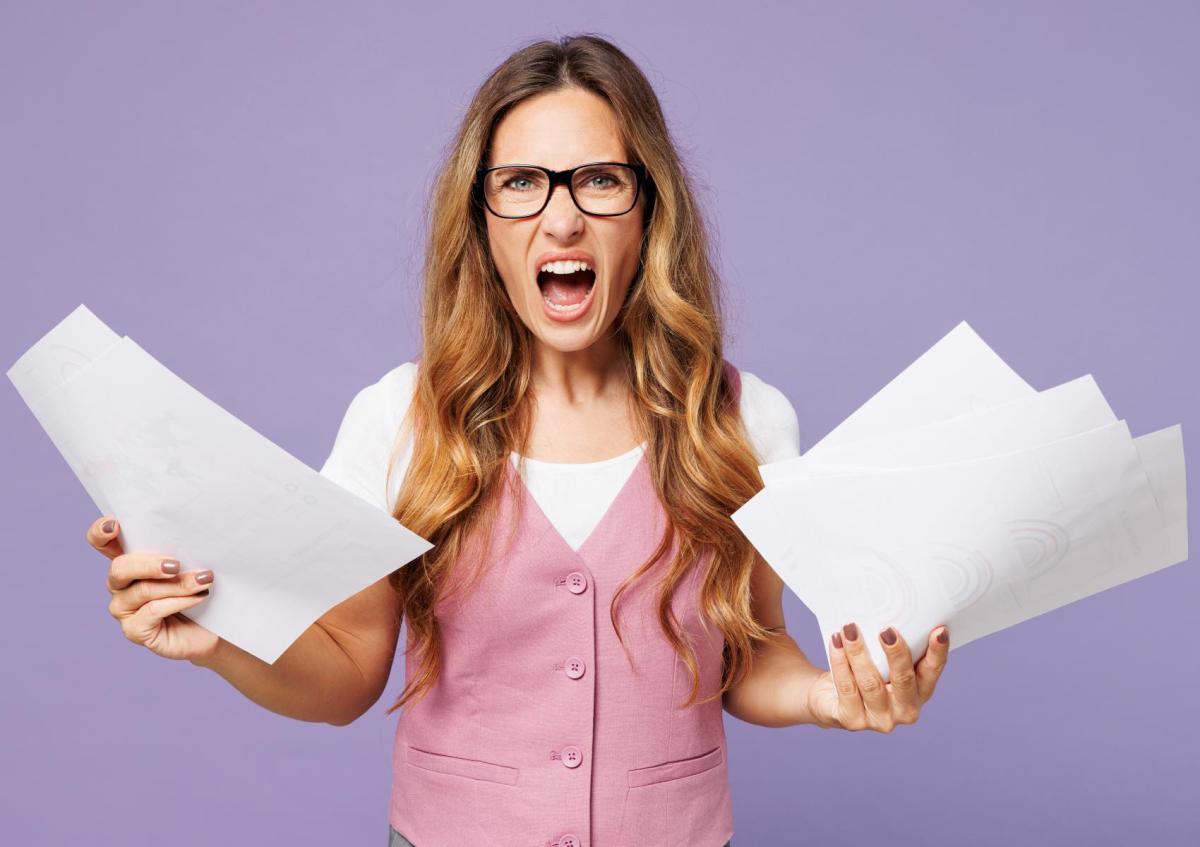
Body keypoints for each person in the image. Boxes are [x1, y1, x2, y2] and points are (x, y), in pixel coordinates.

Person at [86, 34, 950, 847]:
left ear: (648, 211)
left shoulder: (741, 418)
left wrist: (826, 695)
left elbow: (752, 652)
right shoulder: (399, 419)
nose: (562, 218)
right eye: (522, 183)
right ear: (484, 222)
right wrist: (216, 636)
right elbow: (348, 674)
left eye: (600, 180)